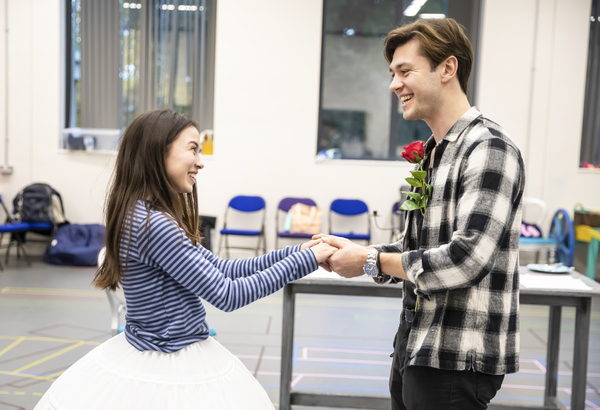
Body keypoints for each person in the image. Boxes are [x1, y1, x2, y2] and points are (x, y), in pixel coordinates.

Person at [34, 109, 336, 410]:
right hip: (169, 358)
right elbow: (228, 294)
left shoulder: (142, 214)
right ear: (157, 151)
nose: (200, 162)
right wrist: (307, 260)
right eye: (192, 148)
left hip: (150, 348)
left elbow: (223, 268)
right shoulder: (153, 225)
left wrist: (298, 252)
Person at [318, 18, 525, 410]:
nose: (394, 84)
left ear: (447, 68)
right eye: (392, 73)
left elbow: (466, 259)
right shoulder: (435, 152)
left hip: (456, 356)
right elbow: (419, 246)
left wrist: (369, 261)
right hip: (416, 345)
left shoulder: (489, 149)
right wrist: (362, 254)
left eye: (404, 71)